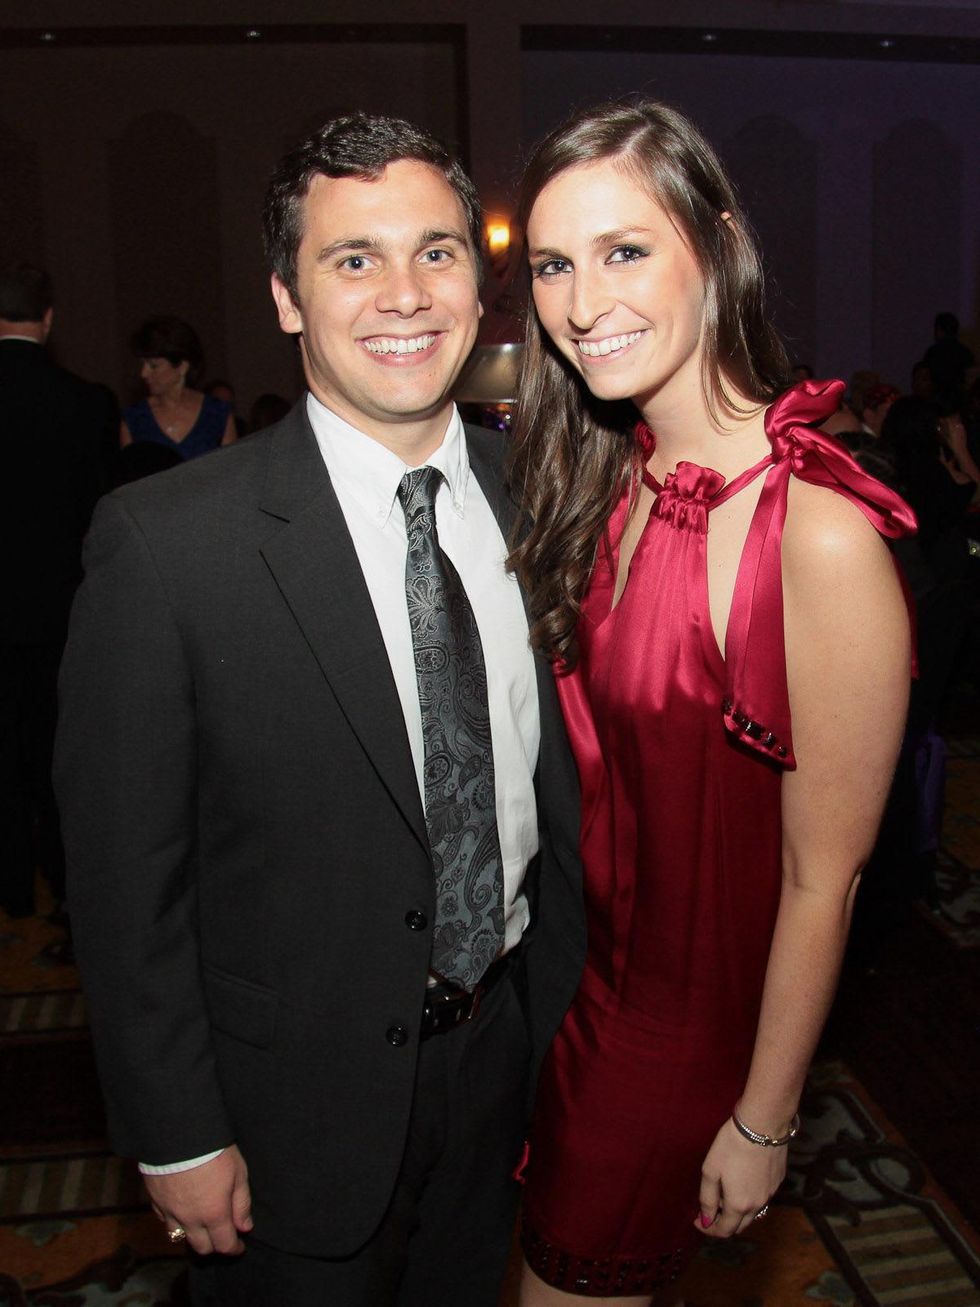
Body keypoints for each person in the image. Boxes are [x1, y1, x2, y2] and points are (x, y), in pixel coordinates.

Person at [54, 114, 584, 1307]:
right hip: (282, 1102)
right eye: (353, 260)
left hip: (502, 1060)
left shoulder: (542, 502)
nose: (404, 294)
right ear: (288, 298)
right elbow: (125, 880)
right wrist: (175, 1129)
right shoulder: (166, 545)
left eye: (436, 252)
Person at [506, 99, 915, 1306]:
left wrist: (764, 1115)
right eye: (550, 265)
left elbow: (820, 875)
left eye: (623, 250)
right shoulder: (618, 475)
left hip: (675, 1051)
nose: (581, 304)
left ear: (716, 241)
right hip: (577, 1001)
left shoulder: (816, 535)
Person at [0, 261, 114, 919]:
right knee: (56, 758)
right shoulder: (85, 402)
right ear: (47, 321)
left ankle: (11, 890)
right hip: (61, 614)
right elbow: (98, 516)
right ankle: (67, 886)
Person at [121, 315, 237, 459]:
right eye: (143, 364)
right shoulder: (135, 418)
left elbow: (232, 472)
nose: (144, 373)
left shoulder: (217, 414)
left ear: (182, 366)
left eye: (153, 366)